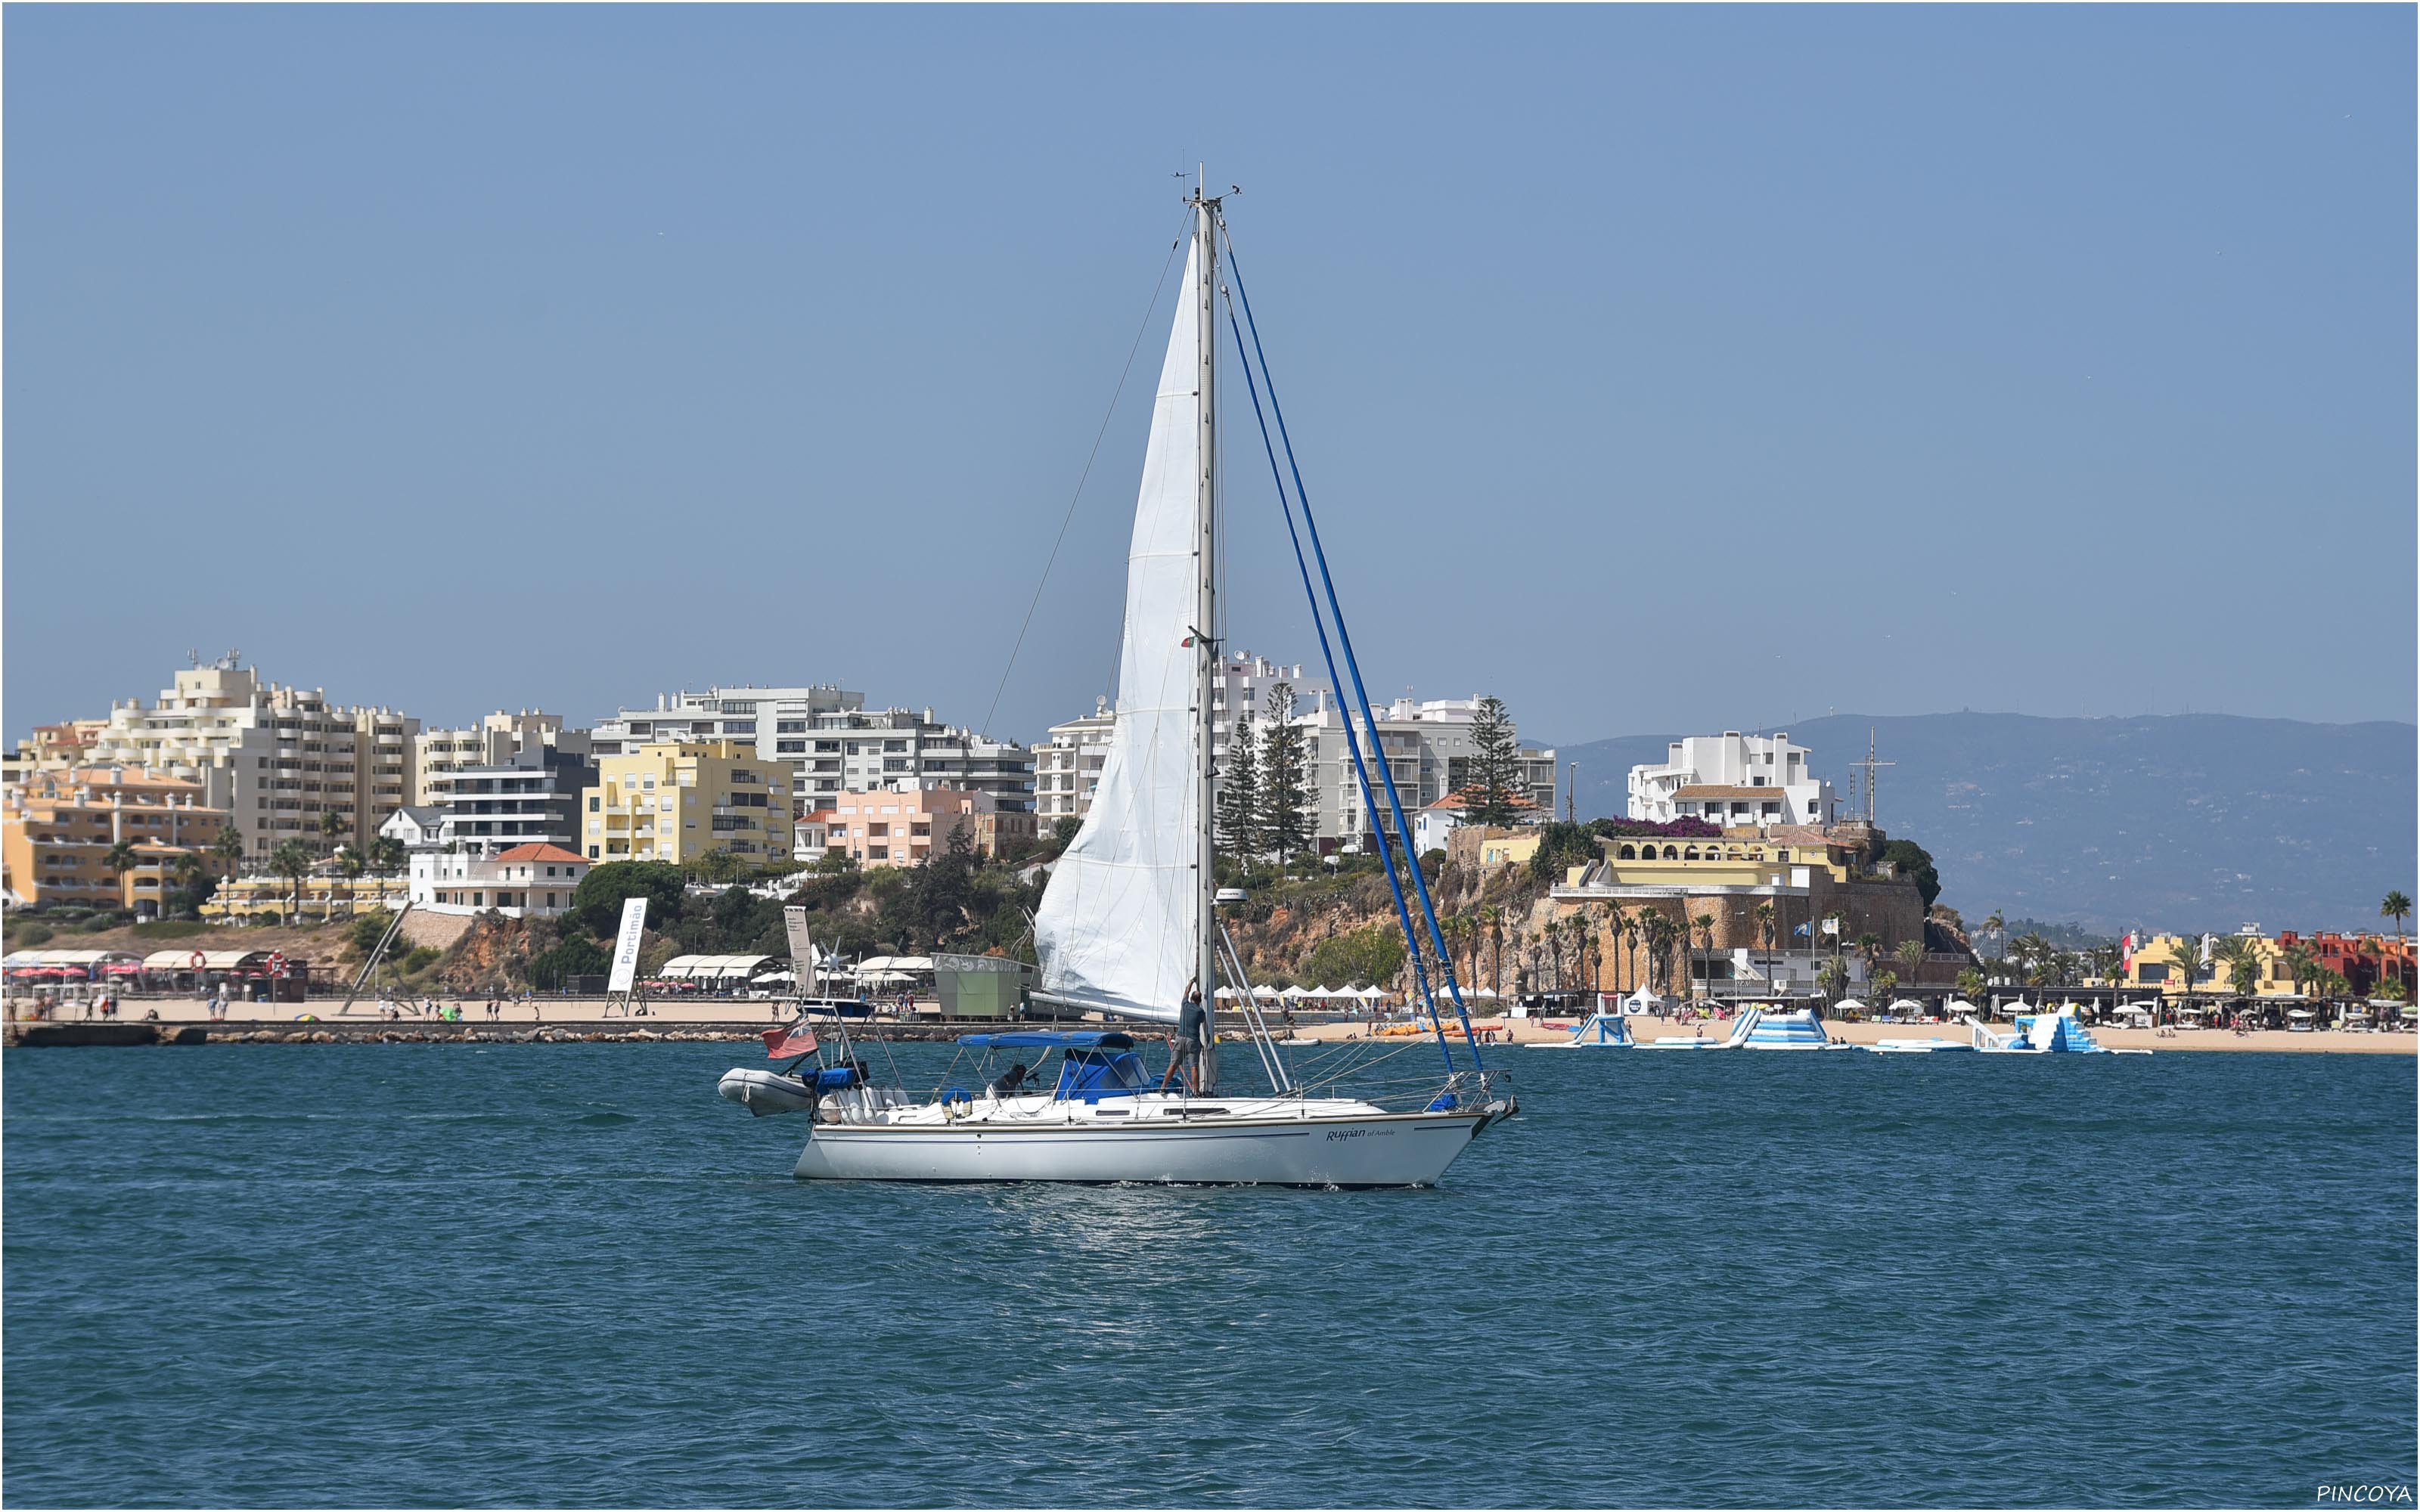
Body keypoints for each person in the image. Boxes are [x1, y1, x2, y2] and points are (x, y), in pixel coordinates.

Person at [1160, 981, 1208, 1092]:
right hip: (1193, 1040)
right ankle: (1196, 1092)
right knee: (1194, 1067)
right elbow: (1203, 1021)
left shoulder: (1184, 1005)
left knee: (1173, 1064)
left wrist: (1191, 981)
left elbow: (1186, 992)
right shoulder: (1200, 1011)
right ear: (1200, 1001)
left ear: (1191, 998)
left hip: (1180, 1038)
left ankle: (1163, 1088)